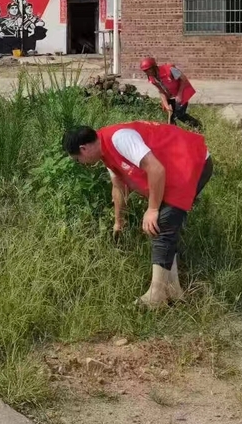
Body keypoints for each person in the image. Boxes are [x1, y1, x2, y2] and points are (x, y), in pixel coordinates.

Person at [64, 122, 213, 307]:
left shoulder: (119, 139)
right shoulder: (106, 153)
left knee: (161, 224)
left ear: (83, 149)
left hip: (192, 161)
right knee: (165, 224)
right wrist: (119, 221)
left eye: (78, 160)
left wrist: (152, 209)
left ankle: (156, 294)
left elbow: (156, 169)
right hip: (175, 167)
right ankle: (174, 290)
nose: (82, 164)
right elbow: (119, 187)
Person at [140, 57, 202, 130]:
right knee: (171, 117)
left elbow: (183, 79)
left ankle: (198, 126)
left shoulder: (170, 69)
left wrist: (179, 94)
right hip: (170, 96)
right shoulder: (152, 78)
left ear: (154, 67)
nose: (147, 72)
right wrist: (166, 106)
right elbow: (161, 91)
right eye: (145, 71)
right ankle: (173, 134)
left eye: (148, 69)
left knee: (179, 115)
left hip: (181, 92)